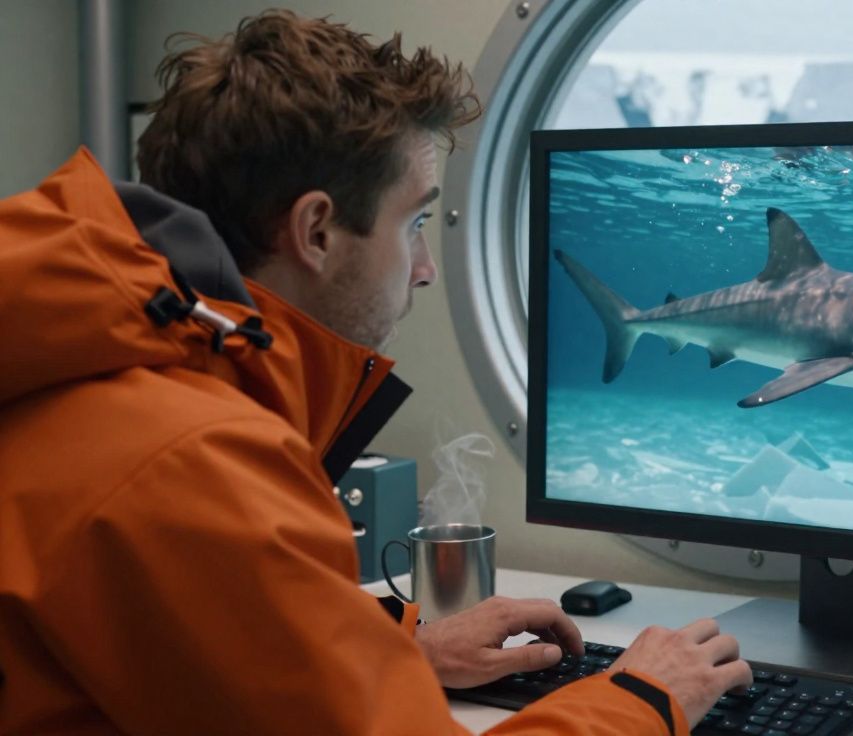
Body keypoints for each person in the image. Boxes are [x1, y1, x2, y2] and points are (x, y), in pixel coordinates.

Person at [0, 10, 751, 735]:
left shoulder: (94, 369)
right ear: (316, 231)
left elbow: (197, 645)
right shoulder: (197, 462)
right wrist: (646, 699)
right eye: (415, 222)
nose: (425, 270)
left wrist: (399, 648)